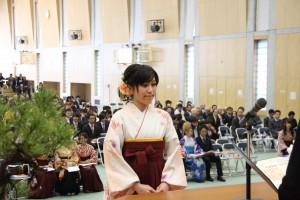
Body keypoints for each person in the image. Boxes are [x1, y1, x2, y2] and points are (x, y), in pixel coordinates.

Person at [103, 64, 186, 199]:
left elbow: (173, 151)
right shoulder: (120, 117)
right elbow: (112, 154)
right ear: (130, 88)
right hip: (130, 178)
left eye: (153, 85)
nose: (150, 90)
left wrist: (166, 182)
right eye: (145, 85)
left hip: (159, 178)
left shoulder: (163, 116)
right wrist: (135, 185)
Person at [278, 120, 300, 199]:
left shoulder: (293, 132)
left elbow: (295, 141)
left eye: (290, 123)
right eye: (287, 123)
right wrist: (286, 148)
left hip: (291, 149)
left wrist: (291, 148)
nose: (288, 125)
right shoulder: (281, 133)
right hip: (283, 149)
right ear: (284, 124)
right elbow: (280, 142)